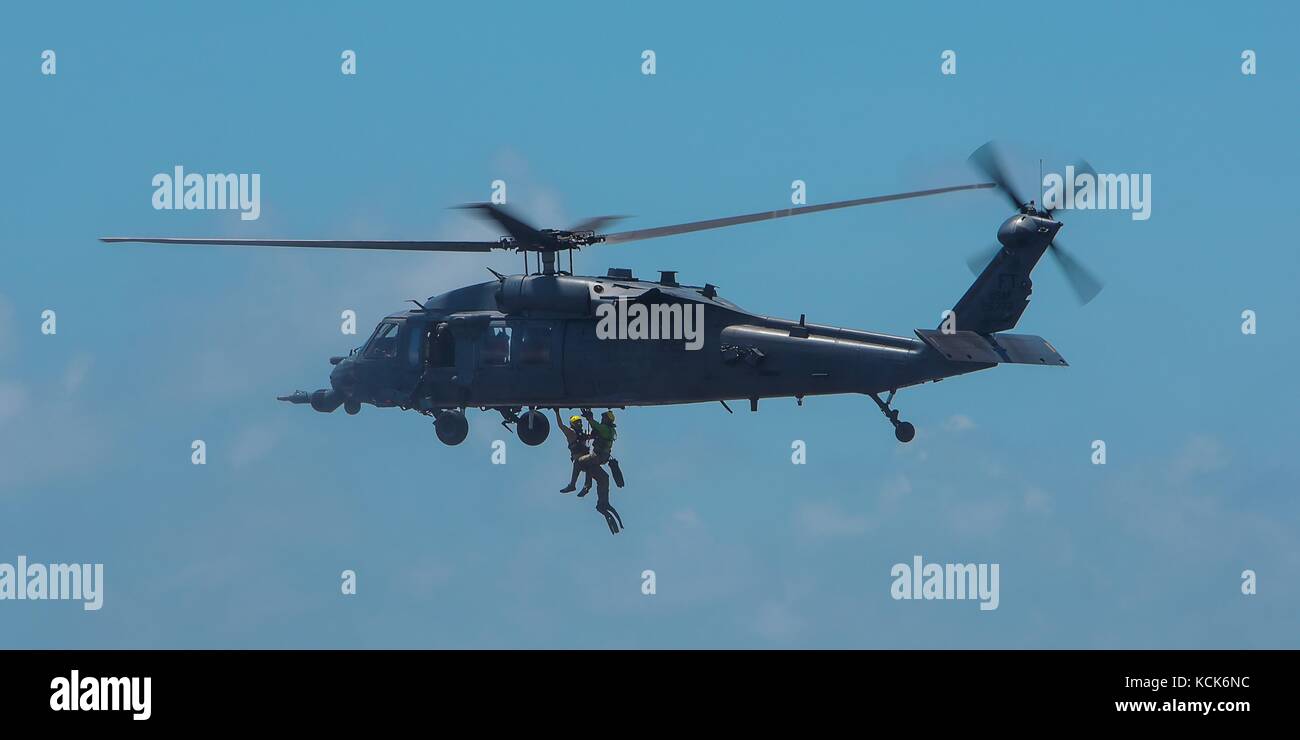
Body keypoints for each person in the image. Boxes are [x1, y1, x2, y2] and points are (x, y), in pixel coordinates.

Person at [577, 408, 624, 534]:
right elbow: (596, 430)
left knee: (582, 462)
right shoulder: (606, 430)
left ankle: (586, 486)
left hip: (598, 457)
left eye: (604, 418)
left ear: (607, 420)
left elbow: (597, 426)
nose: (602, 419)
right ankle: (603, 503)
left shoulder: (606, 430)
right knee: (604, 478)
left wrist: (589, 418)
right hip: (600, 457)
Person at [554, 410, 592, 496]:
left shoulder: (582, 434)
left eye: (580, 422)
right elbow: (561, 425)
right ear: (573, 424)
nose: (579, 424)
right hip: (578, 460)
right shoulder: (571, 432)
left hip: (585, 459)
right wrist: (557, 413)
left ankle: (587, 486)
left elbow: (591, 436)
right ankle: (572, 485)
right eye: (577, 422)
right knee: (579, 462)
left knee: (591, 463)